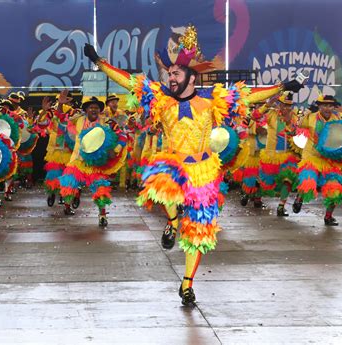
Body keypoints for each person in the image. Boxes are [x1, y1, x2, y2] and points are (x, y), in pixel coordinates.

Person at [84, 24, 302, 306]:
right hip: (173, 162)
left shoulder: (212, 99)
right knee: (160, 179)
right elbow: (129, 82)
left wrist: (282, 87)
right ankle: (172, 222)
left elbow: (248, 95)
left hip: (203, 169)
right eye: (169, 73)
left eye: (175, 73)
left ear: (190, 76)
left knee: (199, 231)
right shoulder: (160, 97)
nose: (170, 77)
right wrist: (99, 62)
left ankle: (187, 284)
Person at [58, 96, 127, 226]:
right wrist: (60, 105)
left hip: (96, 163)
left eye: (96, 107)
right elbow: (61, 120)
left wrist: (116, 149)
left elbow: (122, 135)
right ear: (86, 110)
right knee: (68, 183)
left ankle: (102, 215)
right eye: (91, 107)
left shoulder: (107, 122)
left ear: (99, 110)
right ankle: (67, 207)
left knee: (101, 188)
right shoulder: (77, 119)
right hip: (77, 160)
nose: (94, 110)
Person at [293, 95, 342, 225]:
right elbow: (298, 124)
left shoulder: (338, 120)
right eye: (324, 105)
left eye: (330, 105)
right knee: (308, 183)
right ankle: (299, 197)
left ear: (333, 107)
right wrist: (306, 112)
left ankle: (328, 217)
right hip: (311, 157)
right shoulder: (311, 117)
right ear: (319, 106)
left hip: (329, 160)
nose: (327, 108)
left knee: (335, 189)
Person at [258, 92, 301, 216]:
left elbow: (295, 133)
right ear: (279, 104)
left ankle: (281, 206)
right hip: (271, 156)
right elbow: (255, 116)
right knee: (267, 183)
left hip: (287, 156)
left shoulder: (294, 117)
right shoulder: (271, 114)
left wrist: (291, 127)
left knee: (288, 180)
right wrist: (267, 104)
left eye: (289, 105)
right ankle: (254, 190)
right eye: (284, 105)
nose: (286, 108)